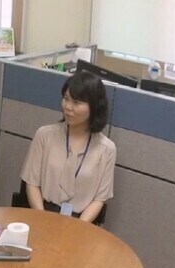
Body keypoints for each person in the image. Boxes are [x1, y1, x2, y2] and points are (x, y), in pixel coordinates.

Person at [20, 71, 116, 224]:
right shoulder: (45, 135)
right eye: (66, 99)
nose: (68, 107)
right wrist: (42, 220)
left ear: (94, 107)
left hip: (81, 222)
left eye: (76, 102)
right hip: (42, 214)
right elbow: (32, 184)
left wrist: (76, 228)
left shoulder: (106, 149)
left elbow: (99, 199)